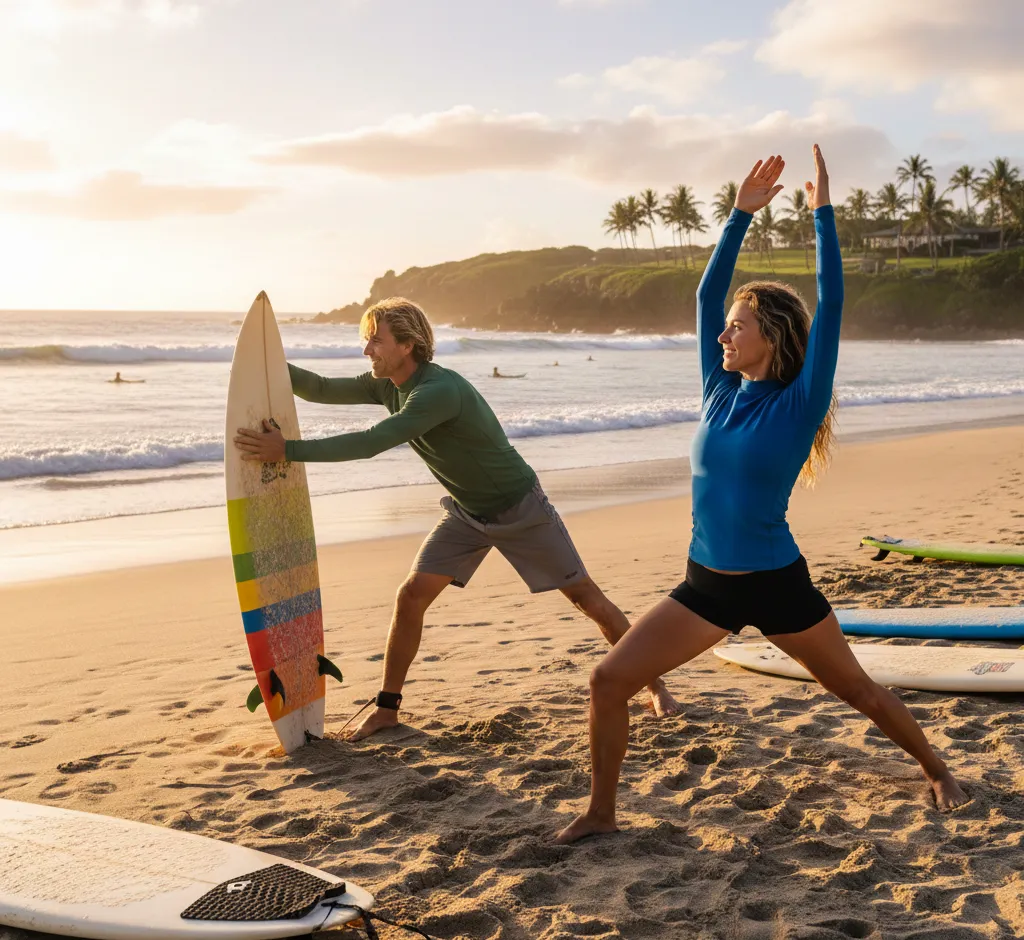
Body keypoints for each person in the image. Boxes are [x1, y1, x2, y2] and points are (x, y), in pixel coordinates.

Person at [555, 146, 967, 846]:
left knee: (859, 692)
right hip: (705, 586)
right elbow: (702, 300)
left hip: (778, 587)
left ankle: (937, 767)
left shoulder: (799, 404)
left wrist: (824, 216)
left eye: (738, 327)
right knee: (607, 681)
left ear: (768, 337)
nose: (722, 333)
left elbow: (832, 301)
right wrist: (739, 217)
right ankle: (601, 813)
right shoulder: (719, 392)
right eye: (727, 326)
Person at [234, 297, 681, 740]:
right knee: (410, 596)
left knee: (586, 598)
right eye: (366, 340)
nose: (367, 350)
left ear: (407, 345)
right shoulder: (387, 385)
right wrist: (263, 363)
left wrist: (286, 451)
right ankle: (387, 709)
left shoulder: (437, 391)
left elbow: (373, 441)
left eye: (376, 340)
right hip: (467, 512)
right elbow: (321, 389)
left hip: (519, 507)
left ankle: (655, 685)